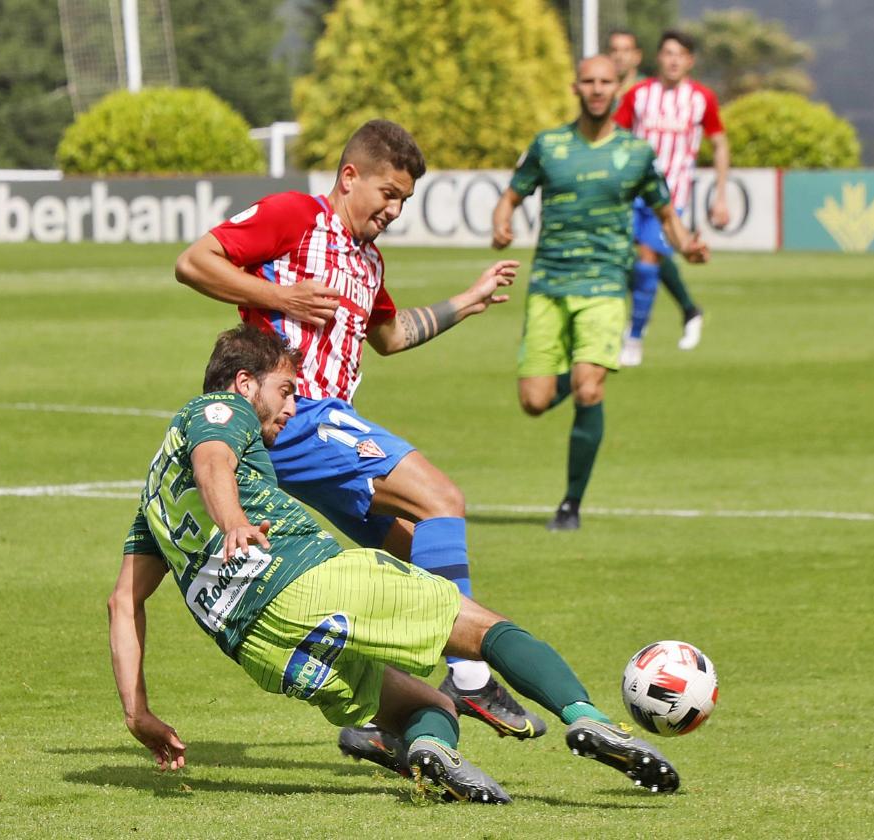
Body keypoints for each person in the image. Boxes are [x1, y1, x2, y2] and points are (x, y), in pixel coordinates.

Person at [108, 324, 681, 803]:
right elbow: (215, 460)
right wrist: (233, 519)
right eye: (284, 390)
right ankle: (587, 716)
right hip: (307, 577)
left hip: (263, 648)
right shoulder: (218, 409)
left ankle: (433, 750)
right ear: (243, 382)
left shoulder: (154, 496)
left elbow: (123, 602)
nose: (291, 405)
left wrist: (138, 715)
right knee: (482, 628)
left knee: (426, 705)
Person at [172, 120, 543, 763]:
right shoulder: (293, 216)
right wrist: (276, 293)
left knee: (410, 554)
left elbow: (392, 336)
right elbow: (194, 261)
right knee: (441, 498)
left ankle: (387, 715)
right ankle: (472, 678)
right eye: (388, 194)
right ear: (350, 177)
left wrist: (469, 300)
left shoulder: (367, 260)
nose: (394, 211)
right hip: (297, 415)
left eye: (404, 201)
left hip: (329, 429)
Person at [491, 56, 708, 531]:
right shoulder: (549, 145)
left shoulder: (636, 152)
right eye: (588, 81)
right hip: (549, 282)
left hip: (606, 283)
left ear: (618, 89)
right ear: (576, 87)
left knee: (590, 388)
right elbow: (511, 195)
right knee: (534, 401)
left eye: (605, 82)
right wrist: (502, 224)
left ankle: (570, 504)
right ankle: (584, 370)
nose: (596, 89)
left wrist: (688, 246)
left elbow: (665, 212)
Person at [614, 29, 730, 366]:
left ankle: (634, 337)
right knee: (623, 261)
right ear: (658, 58)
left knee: (648, 259)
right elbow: (616, 136)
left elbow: (720, 142)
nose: (673, 59)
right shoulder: (638, 95)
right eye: (667, 53)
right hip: (630, 192)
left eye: (680, 54)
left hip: (671, 197)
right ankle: (688, 310)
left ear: (690, 61)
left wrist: (721, 196)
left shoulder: (702, 99)